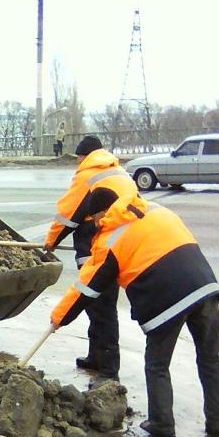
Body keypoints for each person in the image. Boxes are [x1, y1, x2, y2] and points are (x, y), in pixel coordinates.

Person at [47, 180, 219, 437]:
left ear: (102, 212)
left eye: (95, 218)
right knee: (211, 359)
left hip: (168, 300)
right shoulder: (156, 210)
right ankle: (218, 424)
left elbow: (87, 288)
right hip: (205, 287)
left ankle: (162, 425)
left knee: (157, 365)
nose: (95, 224)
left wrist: (58, 319)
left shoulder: (112, 238)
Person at [44, 136, 129, 384]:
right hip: (122, 244)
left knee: (100, 306)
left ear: (84, 156)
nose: (77, 163)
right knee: (96, 305)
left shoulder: (87, 175)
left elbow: (68, 216)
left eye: (78, 158)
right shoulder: (118, 171)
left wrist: (50, 243)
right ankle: (96, 357)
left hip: (99, 247)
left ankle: (109, 371)